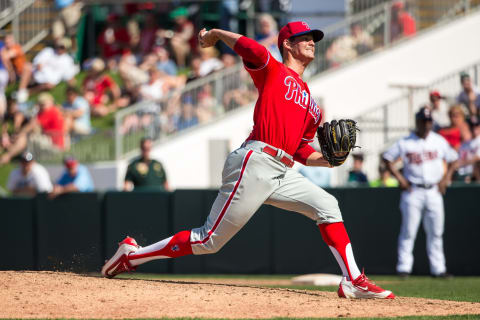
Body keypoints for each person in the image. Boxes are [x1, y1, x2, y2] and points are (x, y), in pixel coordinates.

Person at [102, 21, 394, 299]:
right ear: (288, 45)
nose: (311, 43)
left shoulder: (312, 106)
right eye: (304, 38)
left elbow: (301, 150)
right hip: (255, 160)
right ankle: (132, 255)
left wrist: (331, 161)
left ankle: (354, 280)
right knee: (208, 241)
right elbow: (252, 49)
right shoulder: (274, 71)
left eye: (313, 39)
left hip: (282, 170)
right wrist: (216, 33)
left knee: (328, 205)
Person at [383, 107, 458, 278]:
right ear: (417, 122)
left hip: (434, 190)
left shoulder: (438, 140)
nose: (426, 124)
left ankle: (438, 269)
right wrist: (400, 179)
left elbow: (454, 159)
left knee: (436, 232)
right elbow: (387, 158)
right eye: (423, 121)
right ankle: (404, 268)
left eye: (429, 121)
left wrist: (446, 179)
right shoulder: (405, 141)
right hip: (413, 190)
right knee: (408, 231)